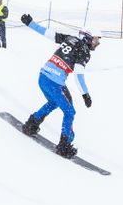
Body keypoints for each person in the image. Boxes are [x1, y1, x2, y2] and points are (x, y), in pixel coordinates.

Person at [18, 13, 101, 158]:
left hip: (43, 77)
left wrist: (30, 23)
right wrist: (85, 94)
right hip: (54, 84)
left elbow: (48, 33)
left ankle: (32, 124)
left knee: (54, 102)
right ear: (87, 37)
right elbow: (79, 74)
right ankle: (64, 146)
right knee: (70, 112)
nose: (97, 43)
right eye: (95, 40)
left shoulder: (70, 39)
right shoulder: (84, 51)